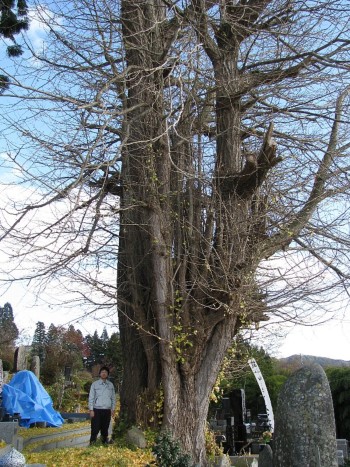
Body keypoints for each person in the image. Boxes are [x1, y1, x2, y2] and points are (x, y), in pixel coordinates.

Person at [88, 366, 116, 445]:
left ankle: (104, 443)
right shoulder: (95, 384)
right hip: (96, 409)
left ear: (108, 374)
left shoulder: (110, 385)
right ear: (100, 374)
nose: (104, 373)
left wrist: (113, 409)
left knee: (105, 428)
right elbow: (91, 397)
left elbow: (113, 398)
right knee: (95, 428)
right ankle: (92, 443)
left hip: (107, 410)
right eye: (102, 372)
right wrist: (91, 409)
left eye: (105, 372)